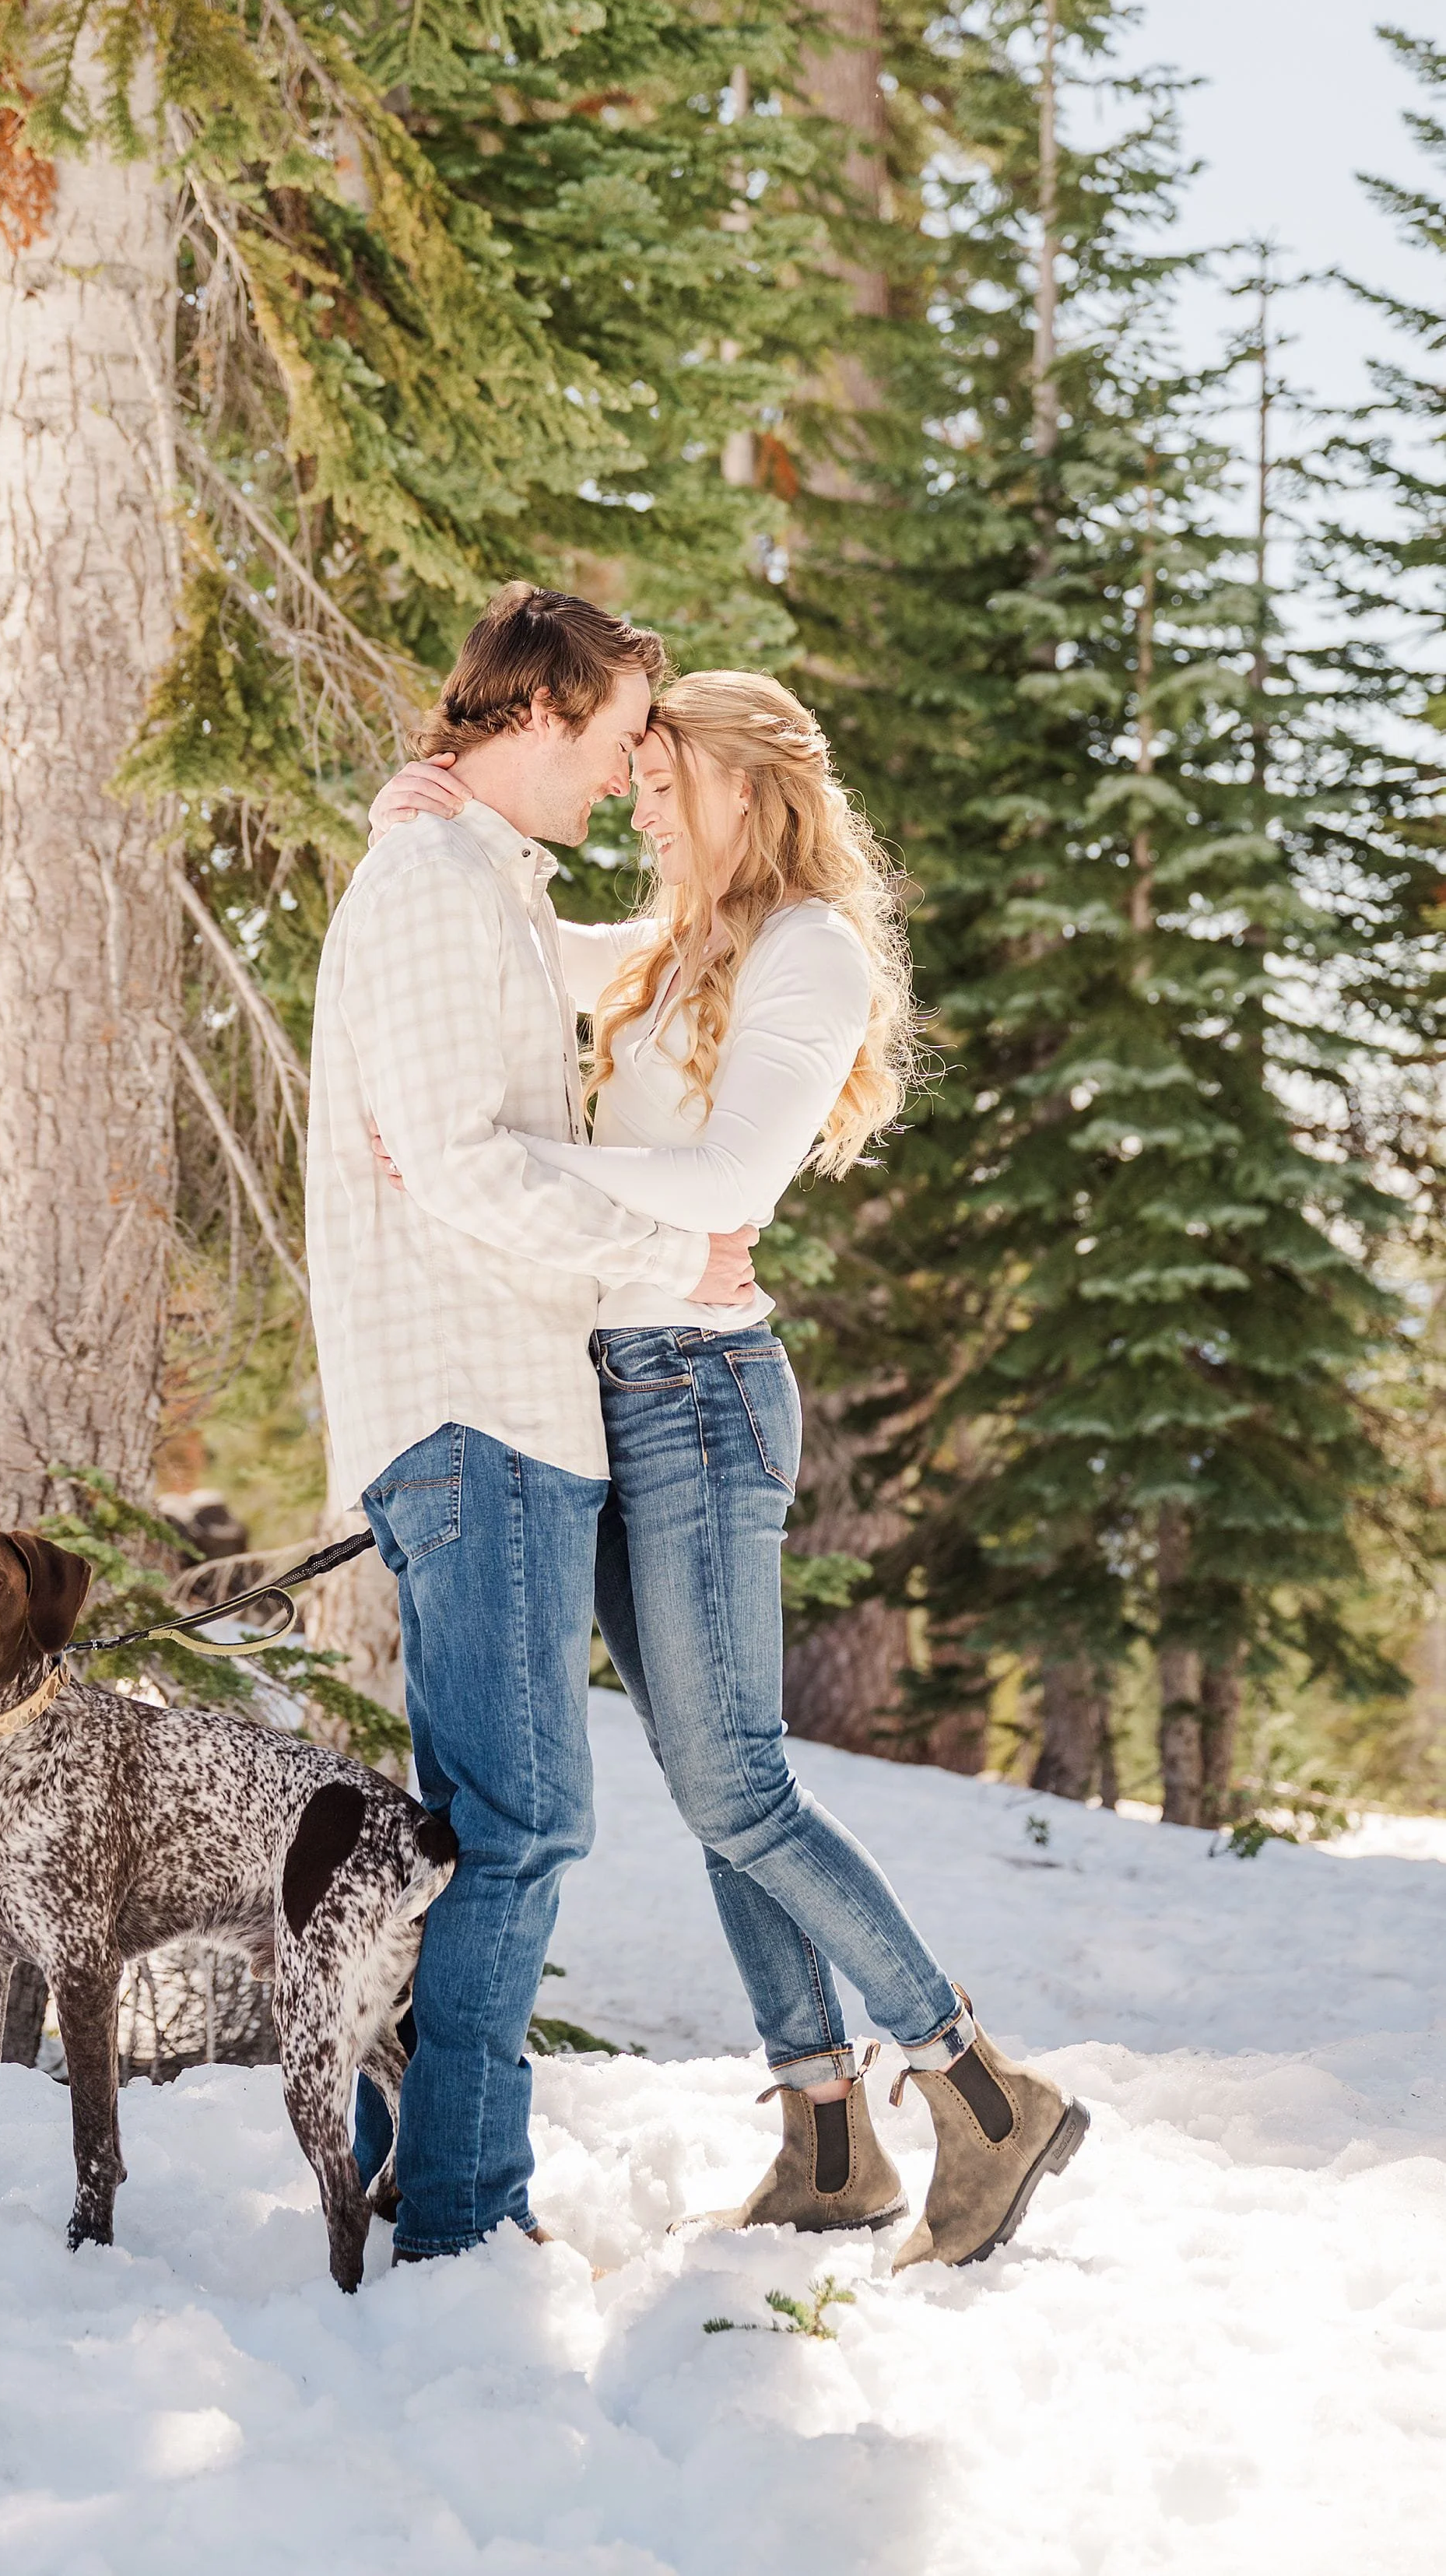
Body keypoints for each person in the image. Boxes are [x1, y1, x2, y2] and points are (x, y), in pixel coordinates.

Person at [367, 668, 1088, 2269]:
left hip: (700, 1392)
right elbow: (525, 954)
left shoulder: (804, 948)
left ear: (749, 791)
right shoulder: (685, 936)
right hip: (620, 1389)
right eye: (626, 772)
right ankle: (824, 2137)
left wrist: (475, 1163)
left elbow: (732, 1175)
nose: (635, 795)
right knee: (716, 1794)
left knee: (733, 1784)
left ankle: (972, 2089)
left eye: (662, 775)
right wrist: (446, 821)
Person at [304, 583, 761, 2265]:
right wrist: (677, 1258)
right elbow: (462, 1166)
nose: (629, 768)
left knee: (471, 1827)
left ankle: (384, 2159)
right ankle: (460, 2217)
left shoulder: (476, 881)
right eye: (622, 734)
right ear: (535, 716)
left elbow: (596, 983)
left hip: (509, 1403)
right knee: (519, 1824)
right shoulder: (428, 888)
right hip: (473, 1402)